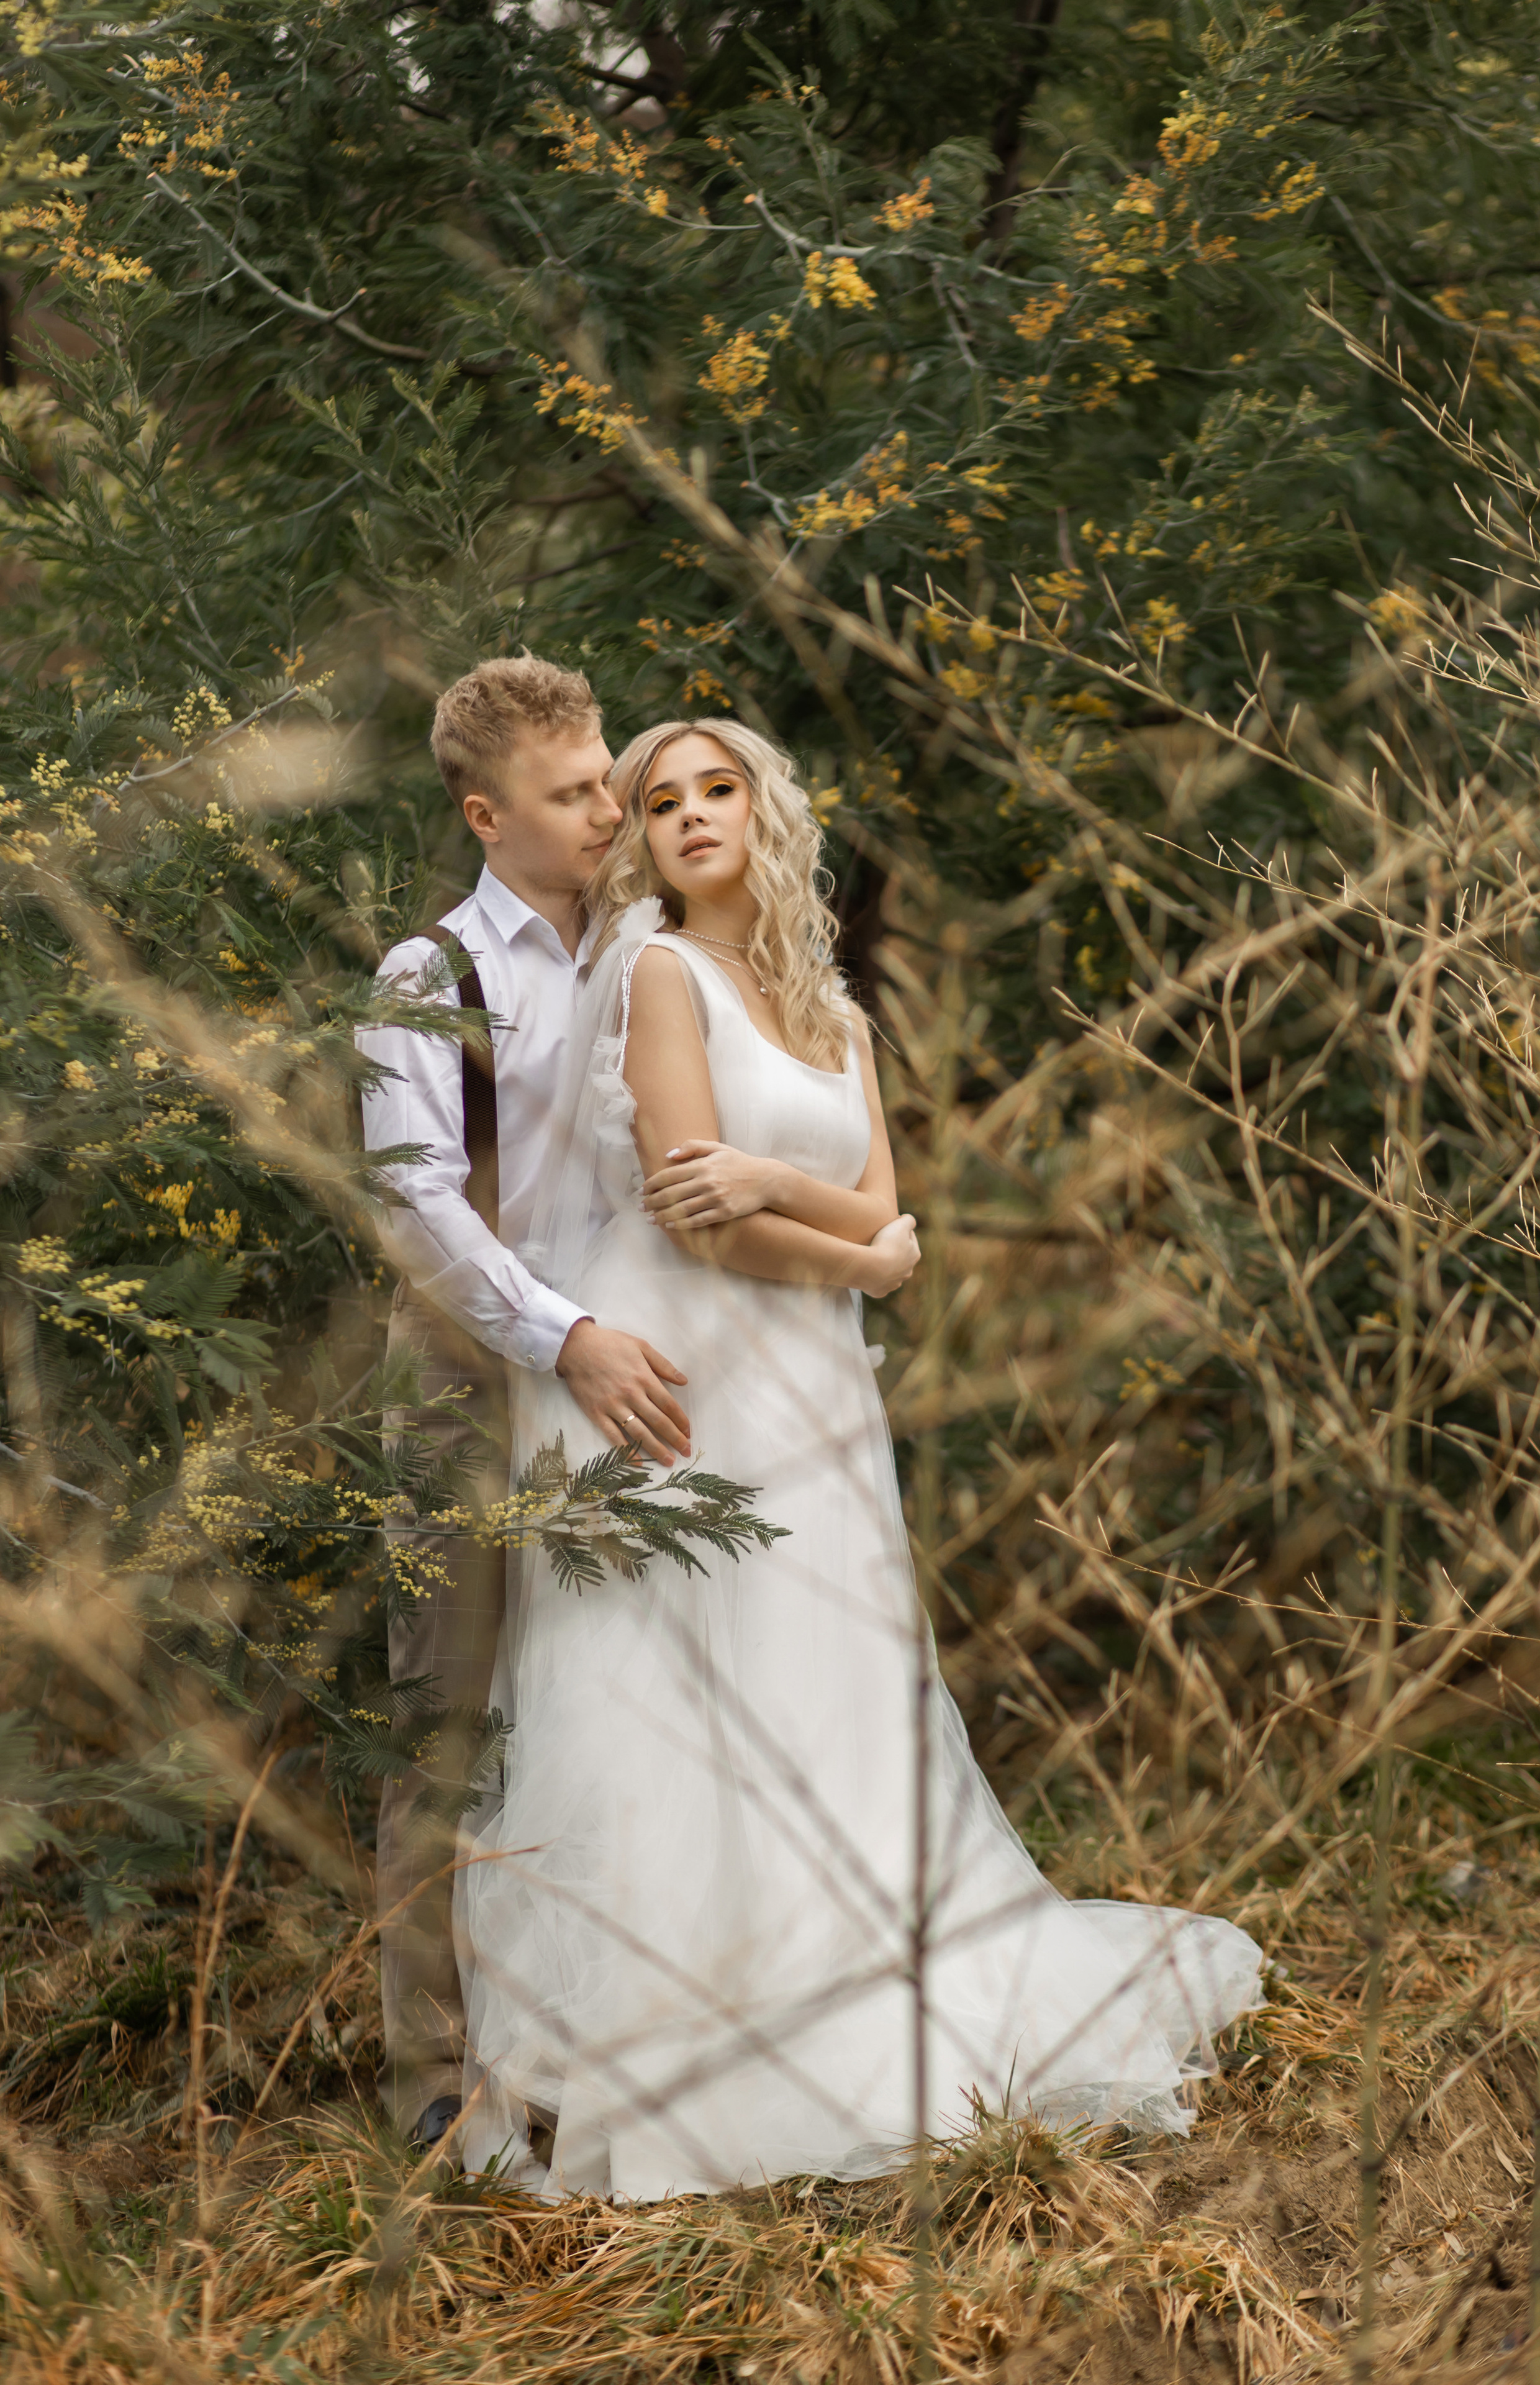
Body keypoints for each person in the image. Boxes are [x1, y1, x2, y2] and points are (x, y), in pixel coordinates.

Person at [457, 719, 1263, 2198]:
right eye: (660, 800)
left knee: (824, 1671)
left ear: (767, 815)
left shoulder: (833, 1011)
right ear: (638, 836)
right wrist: (831, 1227)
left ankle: (850, 1971)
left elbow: (890, 1221)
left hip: (813, 1379)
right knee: (690, 1692)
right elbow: (709, 1215)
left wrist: (798, 1194)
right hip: (688, 1370)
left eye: (719, 790)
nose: (693, 815)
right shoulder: (660, 976)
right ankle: (693, 2029)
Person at [358, 655, 696, 2148]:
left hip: (625, 1362)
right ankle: (436, 2070)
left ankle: (609, 2023)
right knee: (455, 1708)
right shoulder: (427, 976)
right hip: (470, 1374)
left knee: (618, 1697)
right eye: (573, 794)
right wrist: (563, 1339)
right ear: (489, 817)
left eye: (608, 774)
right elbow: (415, 1199)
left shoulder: (651, 943)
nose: (610, 806)